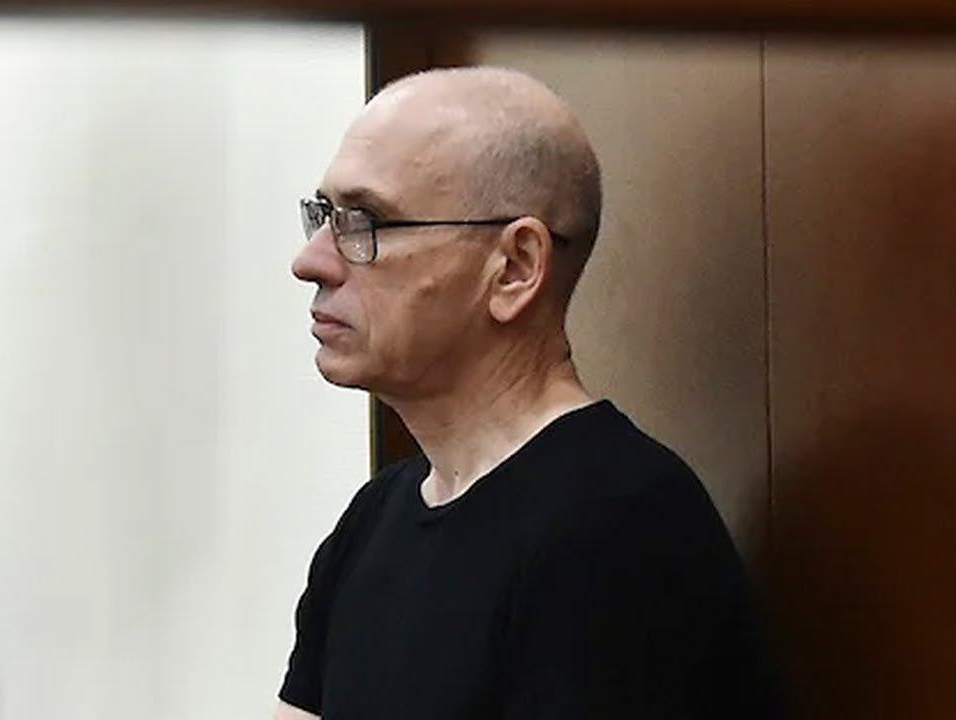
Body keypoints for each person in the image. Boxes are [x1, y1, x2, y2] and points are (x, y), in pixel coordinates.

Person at [276, 66, 778, 720]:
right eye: (324, 216)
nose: (311, 261)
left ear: (514, 268)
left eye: (364, 221)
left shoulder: (619, 530)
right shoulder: (373, 522)